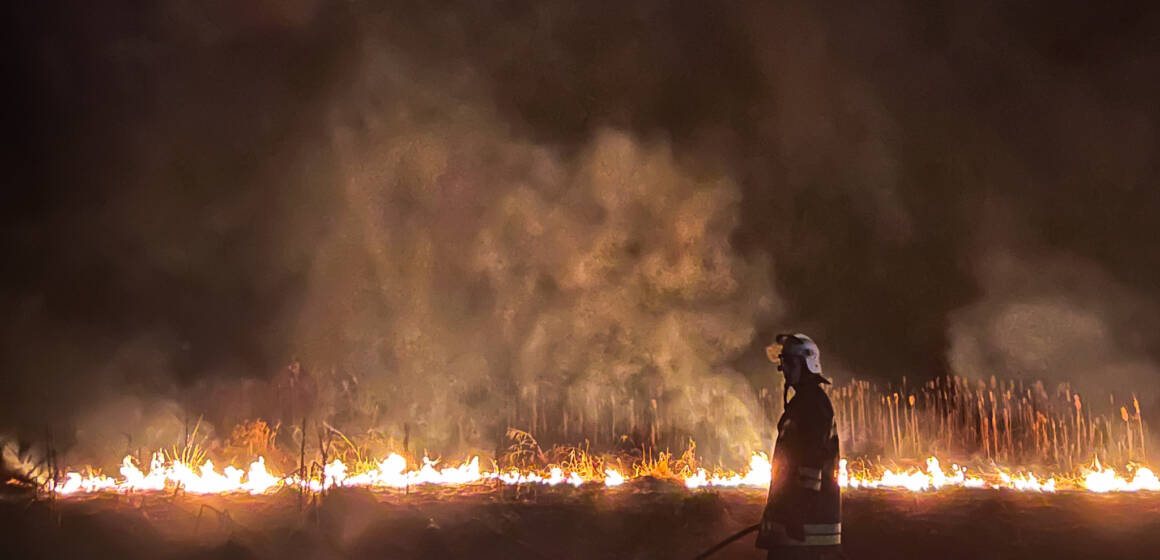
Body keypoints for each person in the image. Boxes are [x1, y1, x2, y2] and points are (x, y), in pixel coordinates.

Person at [756, 333, 842, 559]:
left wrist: (795, 512)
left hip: (806, 532)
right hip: (794, 528)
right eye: (783, 363)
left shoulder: (813, 405)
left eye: (790, 363)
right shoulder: (802, 403)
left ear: (808, 363)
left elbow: (811, 464)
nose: (785, 369)